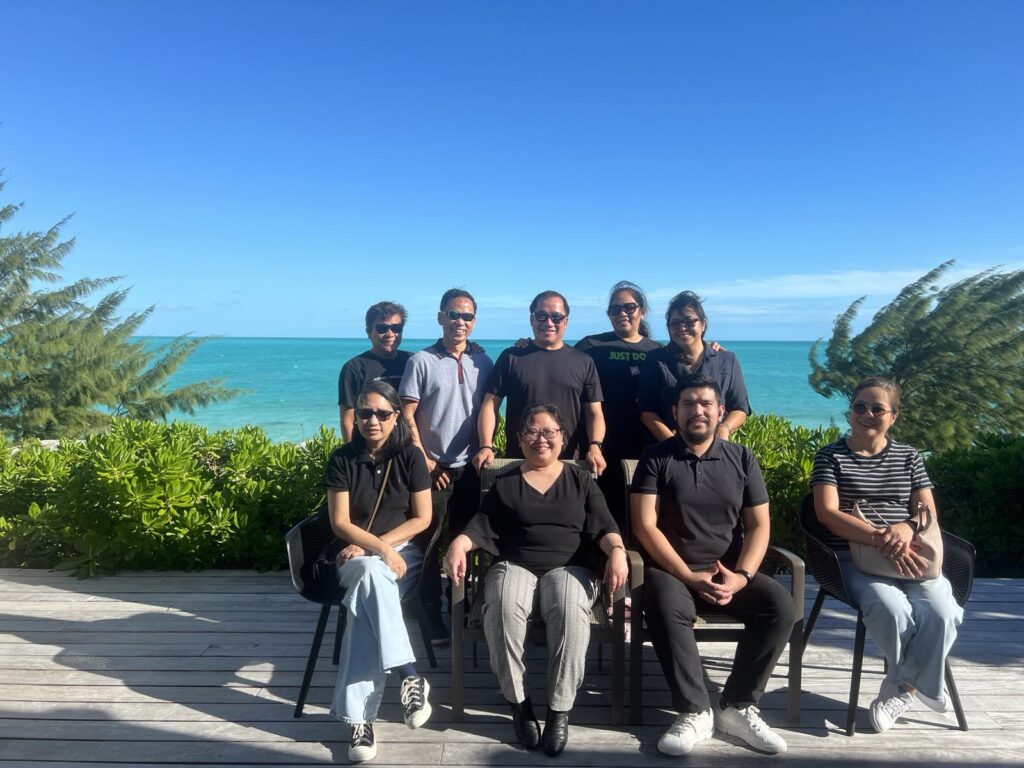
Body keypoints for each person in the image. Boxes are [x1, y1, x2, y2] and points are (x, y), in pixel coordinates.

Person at [445, 403, 628, 756]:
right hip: (515, 564)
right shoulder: (505, 482)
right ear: (519, 438)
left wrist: (618, 550)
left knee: (569, 608)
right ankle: (519, 704)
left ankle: (559, 711)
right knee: (500, 605)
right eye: (532, 432)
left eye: (549, 432)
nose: (540, 439)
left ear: (562, 438)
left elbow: (605, 526)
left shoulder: (581, 480)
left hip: (571, 567)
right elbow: (480, 527)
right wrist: (458, 544)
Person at [631, 374, 794, 756]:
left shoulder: (741, 458)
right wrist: (687, 574)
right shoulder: (656, 457)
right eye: (688, 404)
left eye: (705, 403)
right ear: (675, 412)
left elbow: (759, 525)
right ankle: (695, 710)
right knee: (663, 602)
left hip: (730, 572)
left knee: (779, 606)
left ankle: (736, 706)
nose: (697, 410)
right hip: (674, 570)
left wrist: (742, 577)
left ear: (721, 411)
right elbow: (644, 525)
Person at [811, 376, 963, 733]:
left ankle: (900, 688)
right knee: (892, 610)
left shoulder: (909, 457)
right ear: (850, 413)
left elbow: (927, 511)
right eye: (859, 406)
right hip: (854, 557)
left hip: (911, 554)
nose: (867, 414)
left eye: (877, 408)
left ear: (893, 416)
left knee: (943, 612)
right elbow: (827, 513)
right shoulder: (830, 457)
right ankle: (923, 682)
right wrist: (881, 537)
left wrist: (906, 529)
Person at [323, 380, 433, 762]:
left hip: (404, 552)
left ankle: (358, 722)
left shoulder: (411, 457)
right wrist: (378, 548)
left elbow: (423, 518)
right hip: (354, 557)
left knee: (363, 611)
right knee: (369, 575)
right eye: (365, 412)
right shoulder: (342, 458)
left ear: (396, 417)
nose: (373, 420)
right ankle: (409, 675)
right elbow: (340, 524)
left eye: (382, 413)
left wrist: (387, 547)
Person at [399, 288, 494, 644]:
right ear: (441, 317)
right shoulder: (421, 361)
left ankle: (463, 609)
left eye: (467, 316)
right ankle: (429, 614)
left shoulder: (482, 362)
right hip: (430, 469)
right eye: (454, 314)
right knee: (427, 543)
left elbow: (489, 409)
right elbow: (406, 415)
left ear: (474, 322)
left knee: (466, 541)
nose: (460, 322)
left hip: (469, 467)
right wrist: (424, 459)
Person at [475, 290, 606, 476]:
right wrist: (486, 445)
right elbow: (490, 405)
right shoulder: (511, 357)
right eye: (541, 316)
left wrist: (595, 446)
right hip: (519, 462)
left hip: (570, 462)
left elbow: (594, 412)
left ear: (566, 322)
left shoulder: (584, 362)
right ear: (532, 319)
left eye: (556, 317)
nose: (549, 323)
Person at [575, 280, 662, 528]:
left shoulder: (656, 351)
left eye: (629, 307)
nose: (622, 313)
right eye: (615, 309)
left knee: (640, 514)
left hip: (645, 444)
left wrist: (712, 351)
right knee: (600, 510)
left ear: (642, 310)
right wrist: (527, 346)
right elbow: (559, 360)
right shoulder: (591, 346)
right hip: (600, 444)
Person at [639, 291, 750, 443]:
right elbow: (647, 412)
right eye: (675, 323)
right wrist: (674, 445)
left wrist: (724, 429)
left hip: (714, 448)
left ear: (703, 324)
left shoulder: (727, 360)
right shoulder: (656, 361)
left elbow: (740, 407)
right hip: (667, 451)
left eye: (689, 321)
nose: (682, 328)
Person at [338, 301, 412, 442]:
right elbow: (348, 419)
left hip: (407, 448)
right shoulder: (354, 368)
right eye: (382, 328)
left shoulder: (412, 361)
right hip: (370, 447)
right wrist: (352, 456)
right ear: (368, 331)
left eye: (396, 328)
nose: (390, 334)